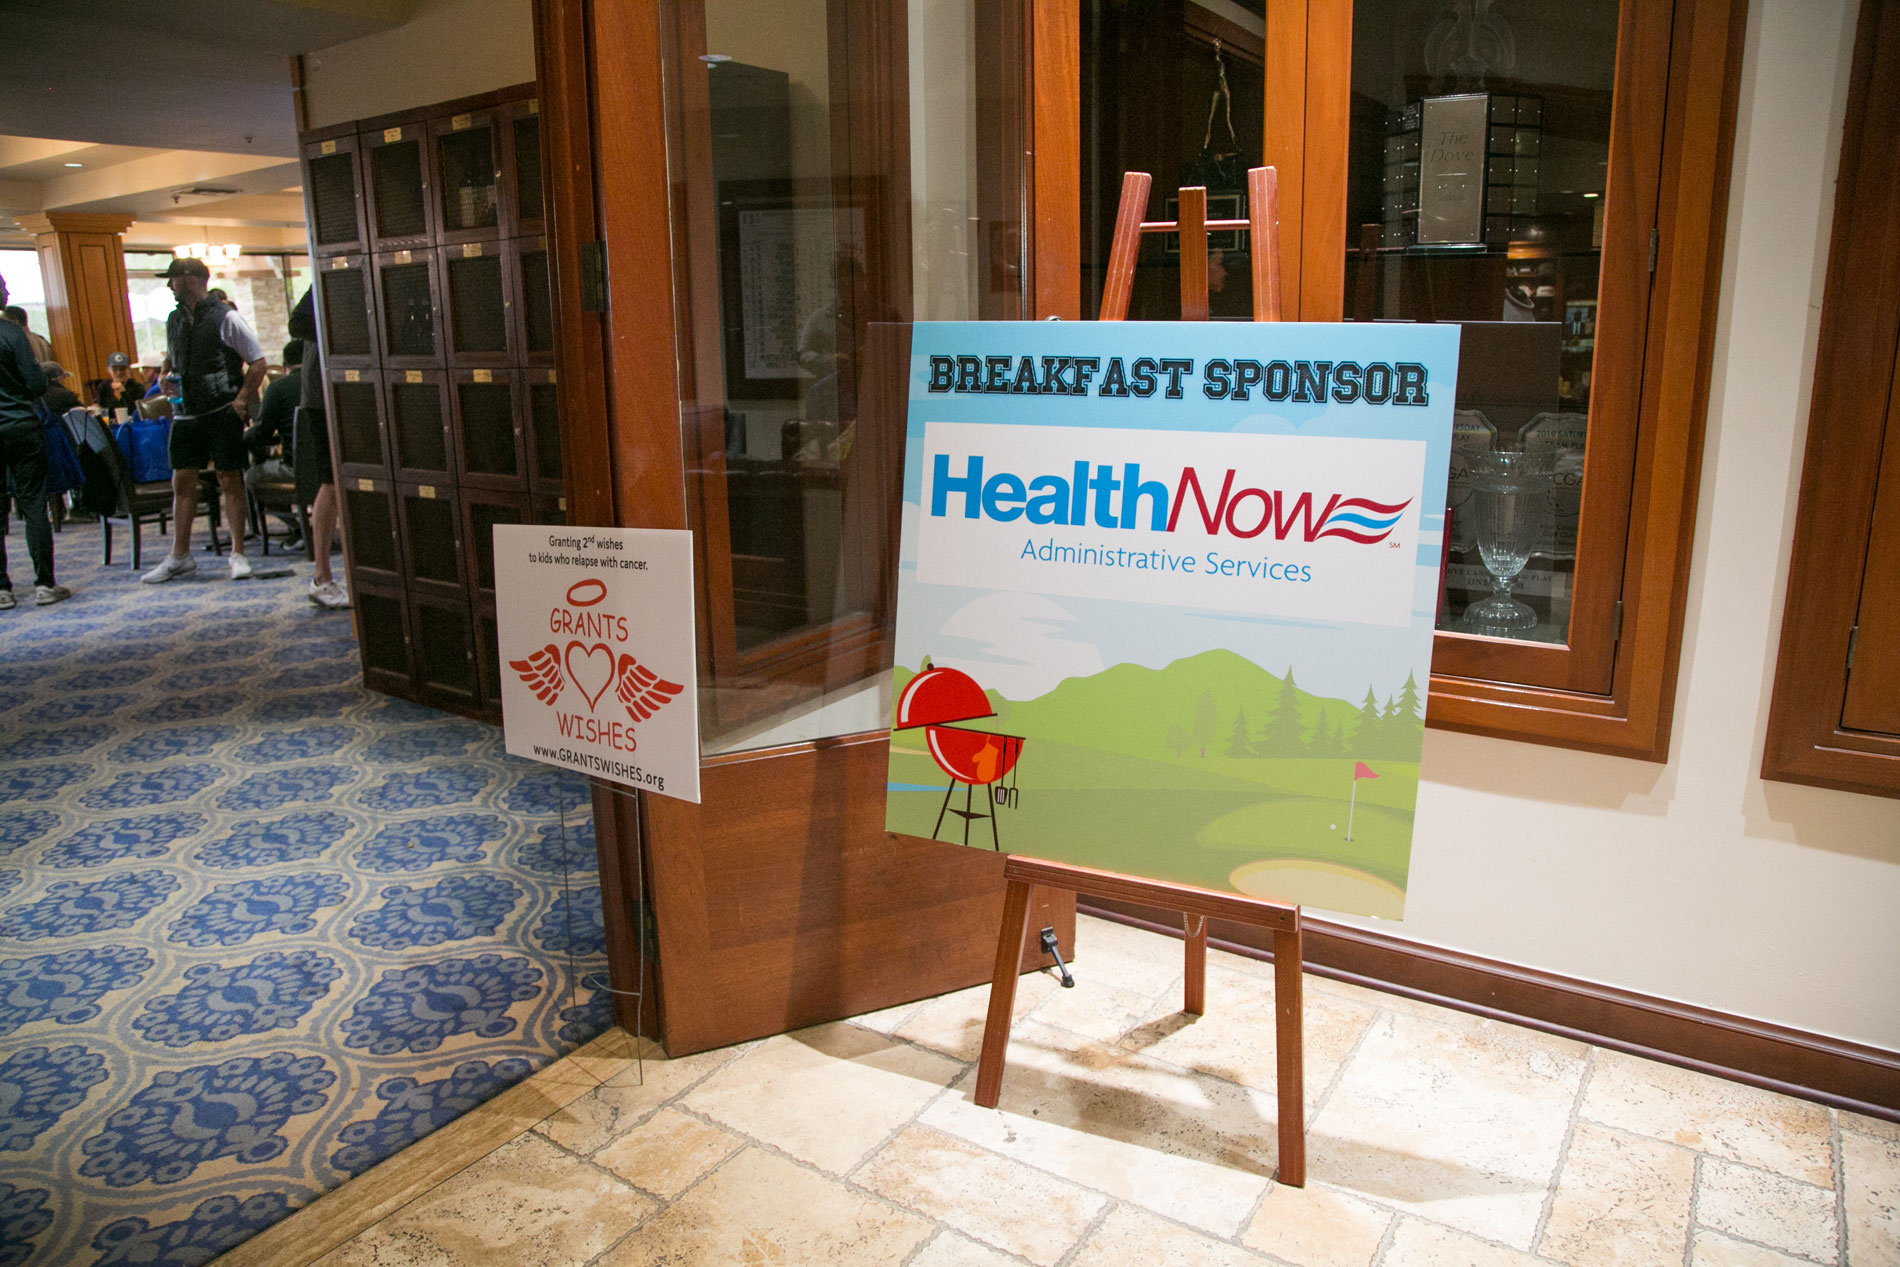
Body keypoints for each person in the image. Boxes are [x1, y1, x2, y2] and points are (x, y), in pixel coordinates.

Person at [141, 257, 268, 583]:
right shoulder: (173, 319)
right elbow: (172, 358)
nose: (169, 285)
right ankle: (179, 556)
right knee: (182, 480)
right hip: (185, 413)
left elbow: (258, 362)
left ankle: (238, 553)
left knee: (229, 478)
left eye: (173, 278)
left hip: (221, 410)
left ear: (190, 279)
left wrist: (241, 401)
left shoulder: (226, 316)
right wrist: (165, 376)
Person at [0, 276, 68, 608]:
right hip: (21, 427)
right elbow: (36, 383)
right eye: (3, 287)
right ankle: (44, 585)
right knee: (33, 506)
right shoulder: (12, 332)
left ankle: (2, 590)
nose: (8, 292)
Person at [287, 287, 348, 608]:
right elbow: (297, 322)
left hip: (355, 387)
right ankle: (321, 577)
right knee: (332, 481)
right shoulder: (329, 273)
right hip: (323, 394)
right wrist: (349, 329)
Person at [243, 338, 304, 546]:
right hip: (330, 466)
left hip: (295, 468)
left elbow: (260, 433)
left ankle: (299, 529)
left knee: (252, 476)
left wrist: (246, 434)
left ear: (285, 365)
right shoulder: (325, 382)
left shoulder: (278, 388)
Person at [94, 352, 145, 416]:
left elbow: (135, 412)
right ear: (108, 370)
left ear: (129, 369)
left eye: (122, 369)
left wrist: (123, 393)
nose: (119, 373)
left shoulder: (138, 388)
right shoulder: (103, 387)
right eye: (114, 369)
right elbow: (101, 409)